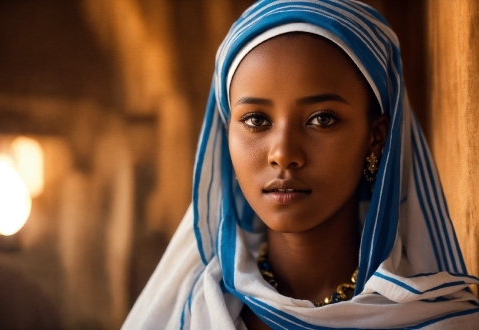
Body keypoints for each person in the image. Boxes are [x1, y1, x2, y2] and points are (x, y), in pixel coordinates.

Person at [123, 1, 479, 329]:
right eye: (256, 120)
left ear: (376, 137)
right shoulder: (190, 313)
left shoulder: (442, 322)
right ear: (225, 136)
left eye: (322, 119)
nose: (283, 153)